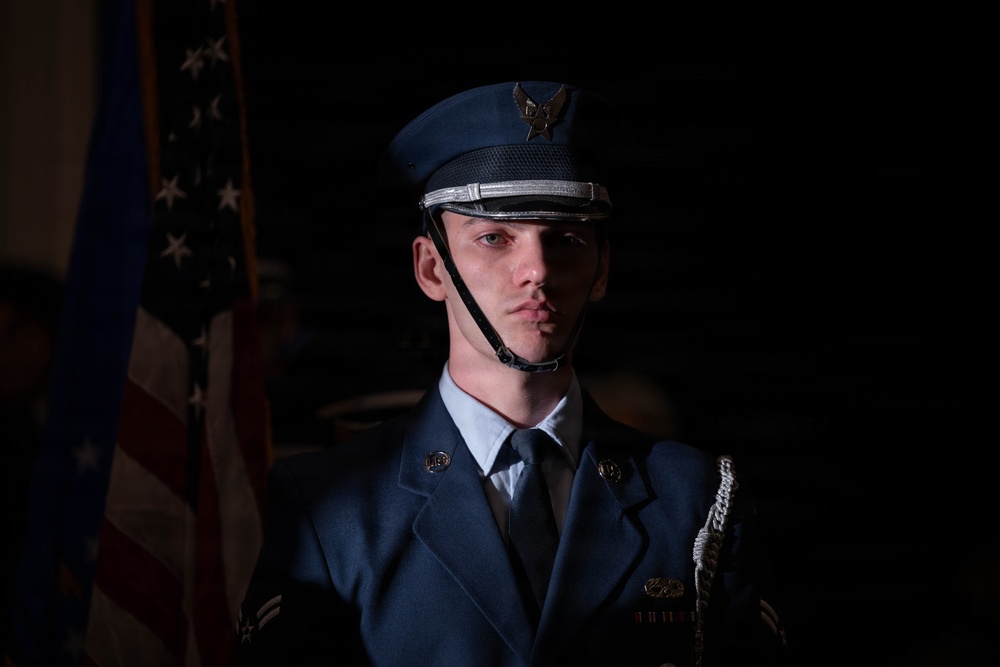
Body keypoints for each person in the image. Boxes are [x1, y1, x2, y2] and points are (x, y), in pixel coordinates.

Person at [231, 80, 788, 666]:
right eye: (494, 237)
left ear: (602, 270)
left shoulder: (696, 501)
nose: (537, 271)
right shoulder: (327, 509)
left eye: (567, 239)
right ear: (430, 268)